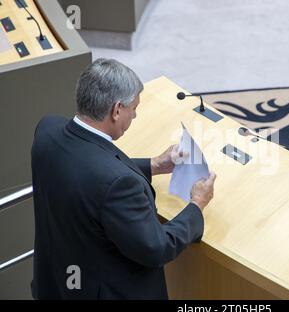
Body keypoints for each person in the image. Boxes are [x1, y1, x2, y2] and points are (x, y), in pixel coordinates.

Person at [30, 58, 216, 299]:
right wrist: (196, 205)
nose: (135, 116)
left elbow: (84, 169)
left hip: (54, 283)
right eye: (133, 109)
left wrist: (153, 165)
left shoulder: (47, 130)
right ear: (117, 110)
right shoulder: (119, 185)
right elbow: (156, 247)